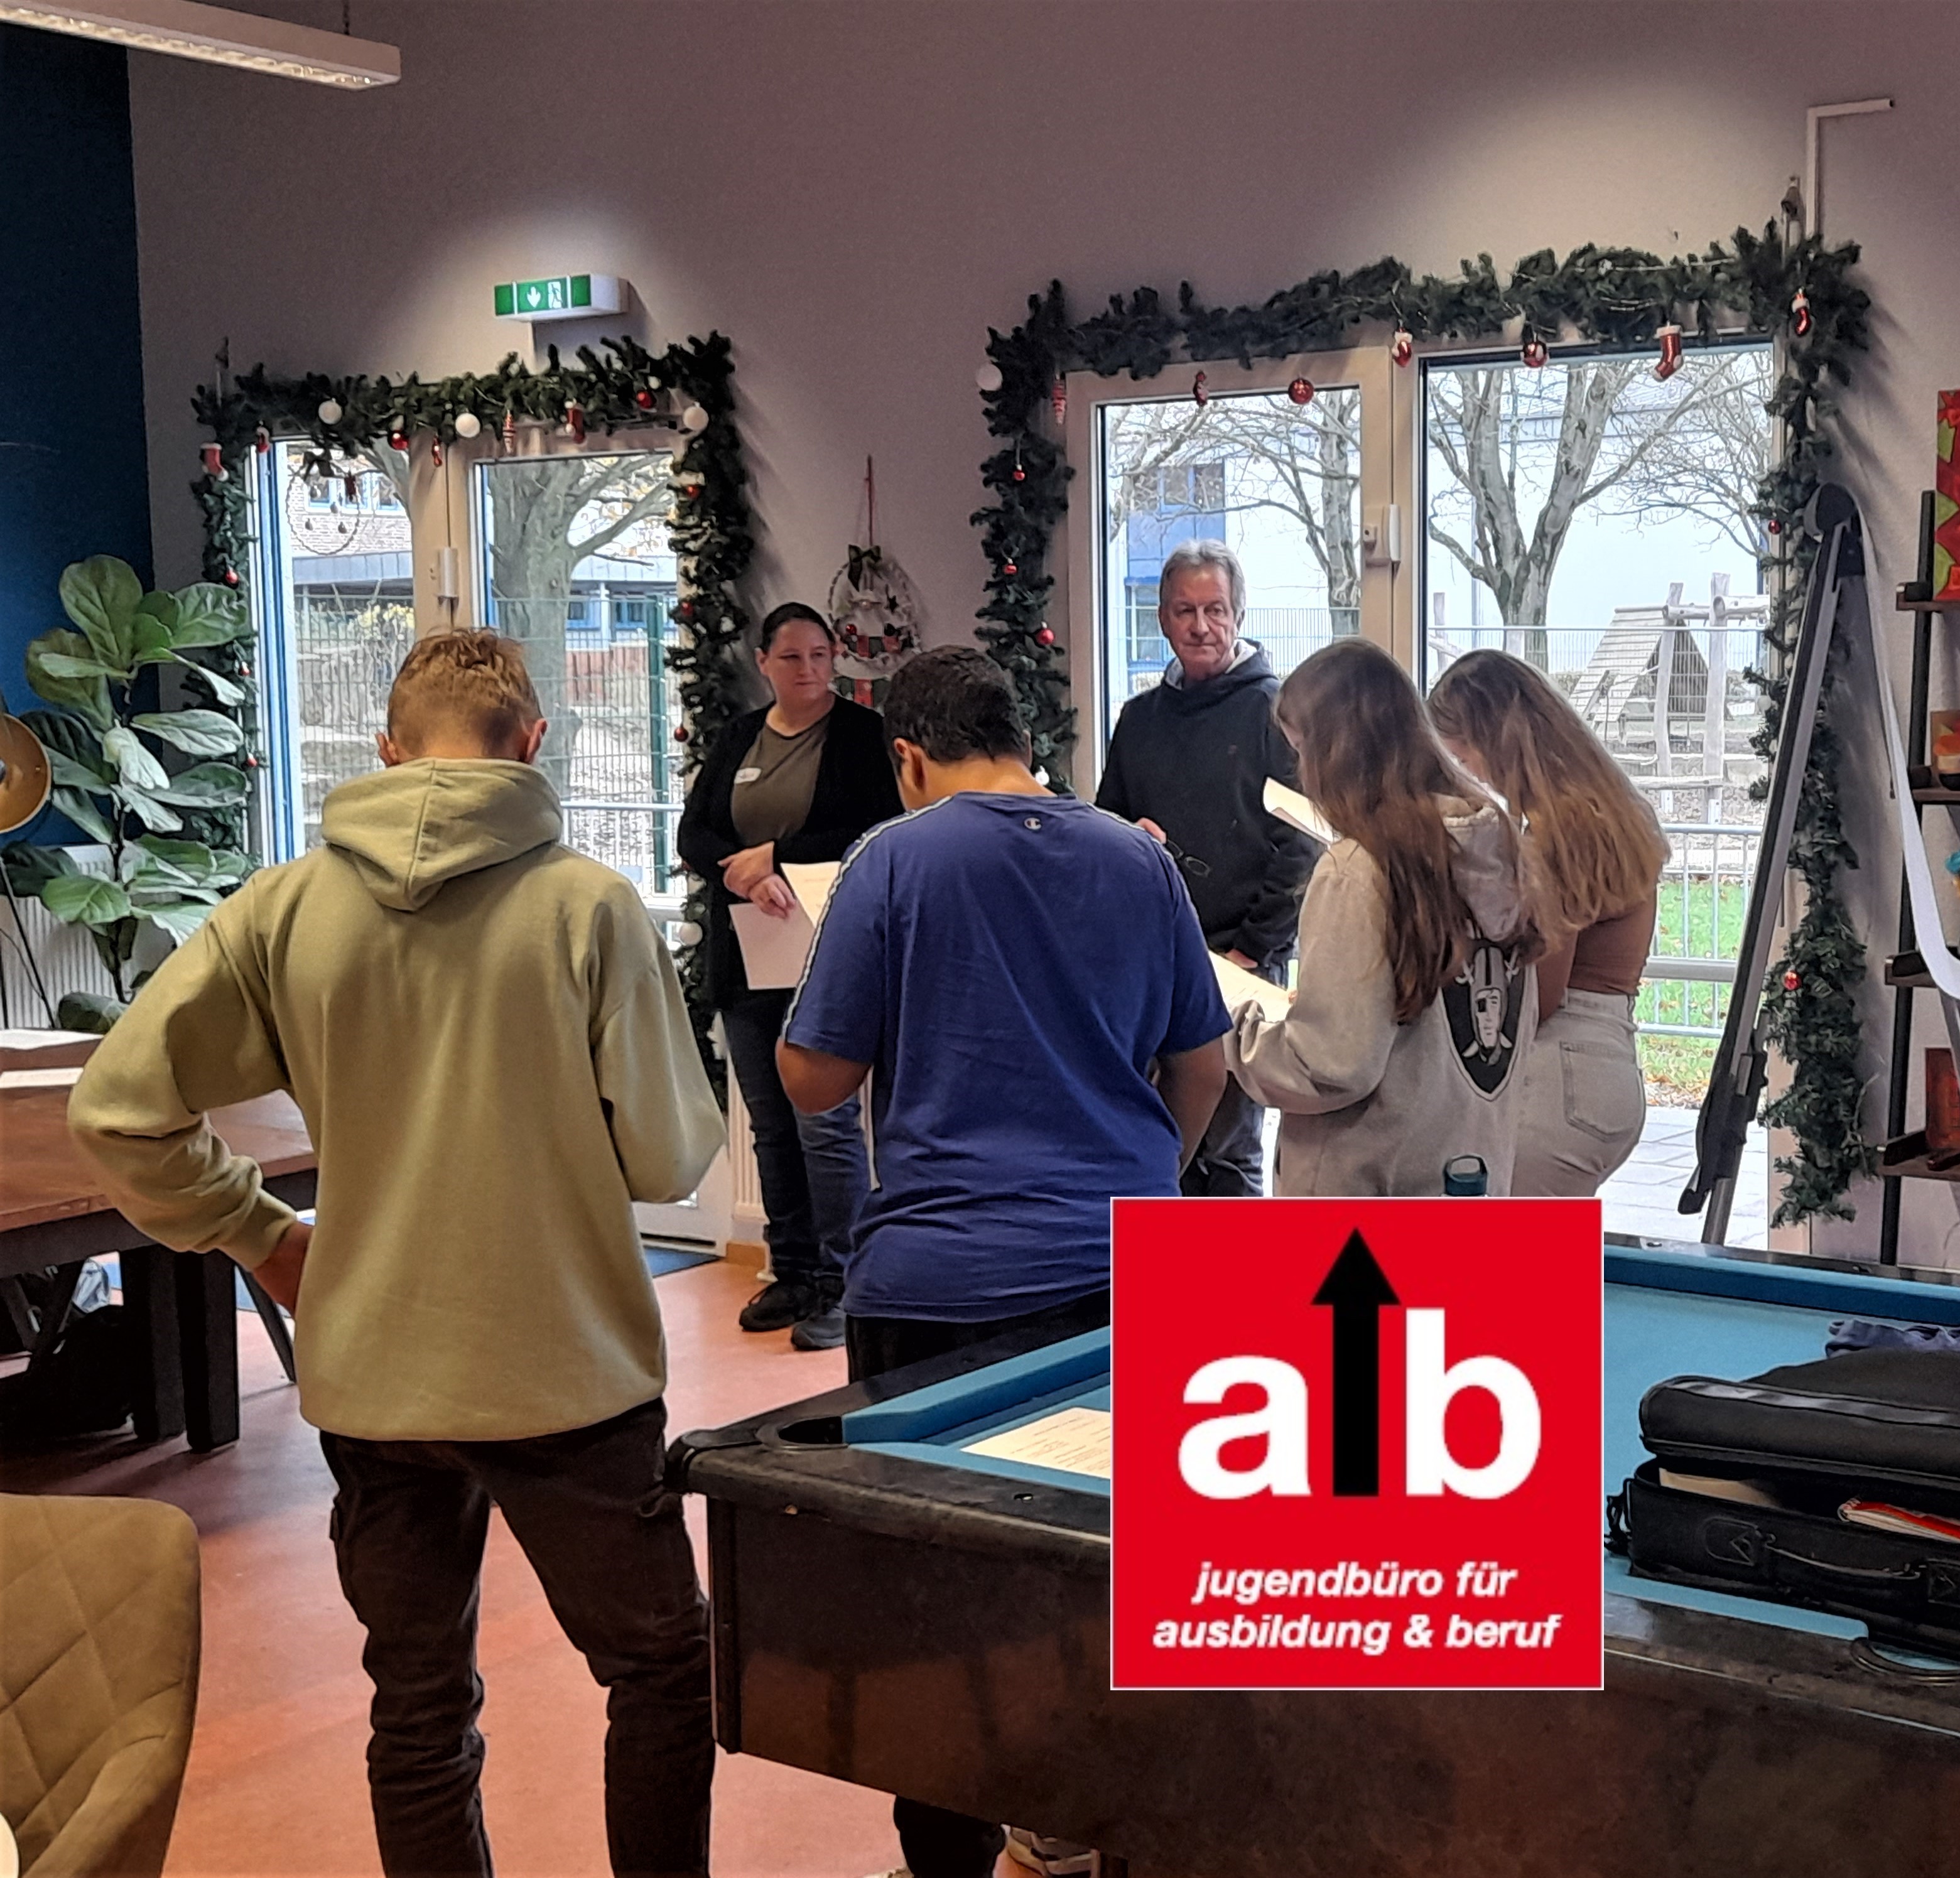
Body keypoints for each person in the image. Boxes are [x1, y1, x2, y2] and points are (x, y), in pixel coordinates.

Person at [70, 630, 724, 1878]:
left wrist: (265, 1236)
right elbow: (666, 1159)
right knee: (660, 1667)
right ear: (534, 741)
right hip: (566, 1370)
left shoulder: (283, 905)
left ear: (384, 746)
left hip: (374, 1375)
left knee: (416, 1706)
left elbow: (119, 1109)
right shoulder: (587, 907)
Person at [776, 644, 1228, 1878]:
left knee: (939, 1615)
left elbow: (814, 1071)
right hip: (1118, 1281)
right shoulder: (1137, 857)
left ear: (909, 757)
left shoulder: (895, 860)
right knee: (1120, 1582)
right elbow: (1203, 1061)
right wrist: (1143, 1177)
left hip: (938, 1290)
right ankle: (1093, 1832)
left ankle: (954, 1856)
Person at [1226, 637, 1538, 1195]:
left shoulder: (1360, 869)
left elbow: (1332, 1065)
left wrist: (1234, 1031)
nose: (1302, 773)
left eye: (1303, 751)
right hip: (1466, 1185)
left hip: (1365, 1203)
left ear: (1337, 753)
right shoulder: (1498, 846)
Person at [677, 600, 904, 1349]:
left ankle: (842, 1283)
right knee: (771, 1125)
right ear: (763, 663)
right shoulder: (741, 735)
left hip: (825, 955)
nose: (808, 671)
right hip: (746, 958)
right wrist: (738, 874)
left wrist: (778, 854)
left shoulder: (862, 736)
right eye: (792, 658)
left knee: (825, 1124)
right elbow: (695, 831)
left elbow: (875, 828)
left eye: (819, 655)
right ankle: (793, 1270)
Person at [1094, 540, 1319, 1194]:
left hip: (1239, 963)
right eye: (1184, 610)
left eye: (1215, 610)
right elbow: (1107, 824)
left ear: (1238, 614)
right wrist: (1126, 838)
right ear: (1161, 619)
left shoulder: (1275, 715)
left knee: (1225, 1151)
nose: (1200, 626)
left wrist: (1249, 952)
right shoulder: (1137, 720)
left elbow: (1301, 847)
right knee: (1154, 1140)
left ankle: (1233, 1297)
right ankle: (1169, 1293)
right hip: (1153, 962)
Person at [1429, 649, 1669, 1194]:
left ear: (1495, 740)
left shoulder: (1557, 832)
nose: (1465, 777)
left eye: (1463, 759)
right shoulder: (1614, 808)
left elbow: (1541, 994)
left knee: (1514, 1270)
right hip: (1608, 1058)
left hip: (1561, 1073)